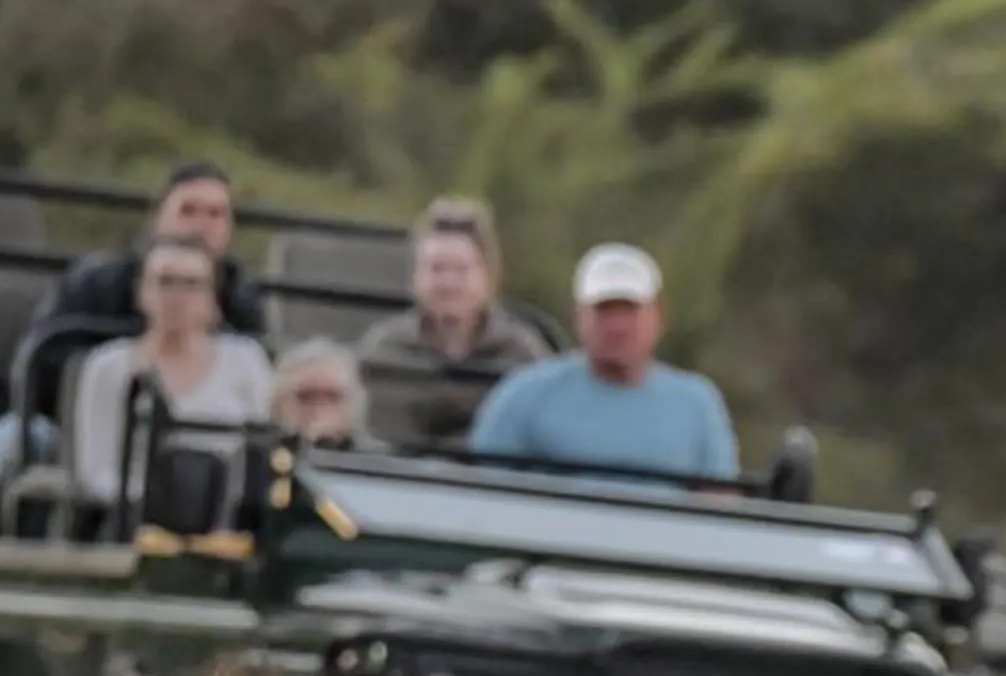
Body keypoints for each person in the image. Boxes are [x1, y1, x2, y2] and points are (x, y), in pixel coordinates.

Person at [0, 160, 268, 486]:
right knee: (15, 441)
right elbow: (38, 367)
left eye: (217, 214)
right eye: (189, 211)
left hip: (200, 452)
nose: (203, 225)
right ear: (157, 218)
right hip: (79, 424)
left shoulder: (241, 302)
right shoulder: (95, 283)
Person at [466, 242, 738, 486]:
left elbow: (720, 502)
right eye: (604, 311)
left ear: (658, 317)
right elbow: (482, 492)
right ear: (577, 317)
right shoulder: (522, 396)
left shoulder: (698, 404)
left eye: (629, 310)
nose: (617, 326)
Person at [63, 234, 274, 512]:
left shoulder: (246, 360)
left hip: (226, 520)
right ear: (141, 292)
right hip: (128, 518)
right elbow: (94, 470)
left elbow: (262, 454)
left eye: (192, 285)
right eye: (165, 282)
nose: (177, 296)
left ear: (214, 299)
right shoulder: (107, 365)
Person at [353, 196, 550, 445]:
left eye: (461, 270)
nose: (448, 283)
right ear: (415, 277)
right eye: (437, 269)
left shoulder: (523, 355)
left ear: (488, 277)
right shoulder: (384, 351)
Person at [272, 338, 379, 449]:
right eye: (305, 397)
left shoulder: (381, 461)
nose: (318, 410)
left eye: (333, 398)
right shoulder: (258, 457)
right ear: (279, 403)